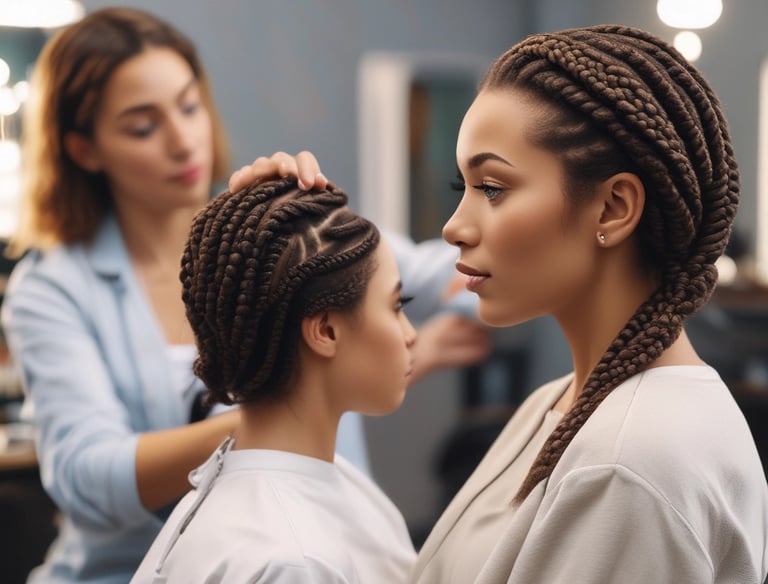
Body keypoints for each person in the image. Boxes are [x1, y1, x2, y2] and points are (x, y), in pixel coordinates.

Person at [230, 24, 768, 583]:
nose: (454, 227)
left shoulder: (630, 462)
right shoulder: (562, 405)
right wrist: (289, 239)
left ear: (612, 207)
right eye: (459, 187)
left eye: (492, 188)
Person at [0, 7, 489, 583]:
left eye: (189, 105)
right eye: (142, 125)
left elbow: (470, 280)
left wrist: (387, 345)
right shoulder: (54, 288)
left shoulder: (270, 242)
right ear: (83, 149)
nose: (184, 141)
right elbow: (89, 477)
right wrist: (288, 410)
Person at [132, 176, 417, 582]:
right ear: (326, 331)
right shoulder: (292, 562)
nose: (411, 334)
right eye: (396, 306)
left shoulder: (327, 483)